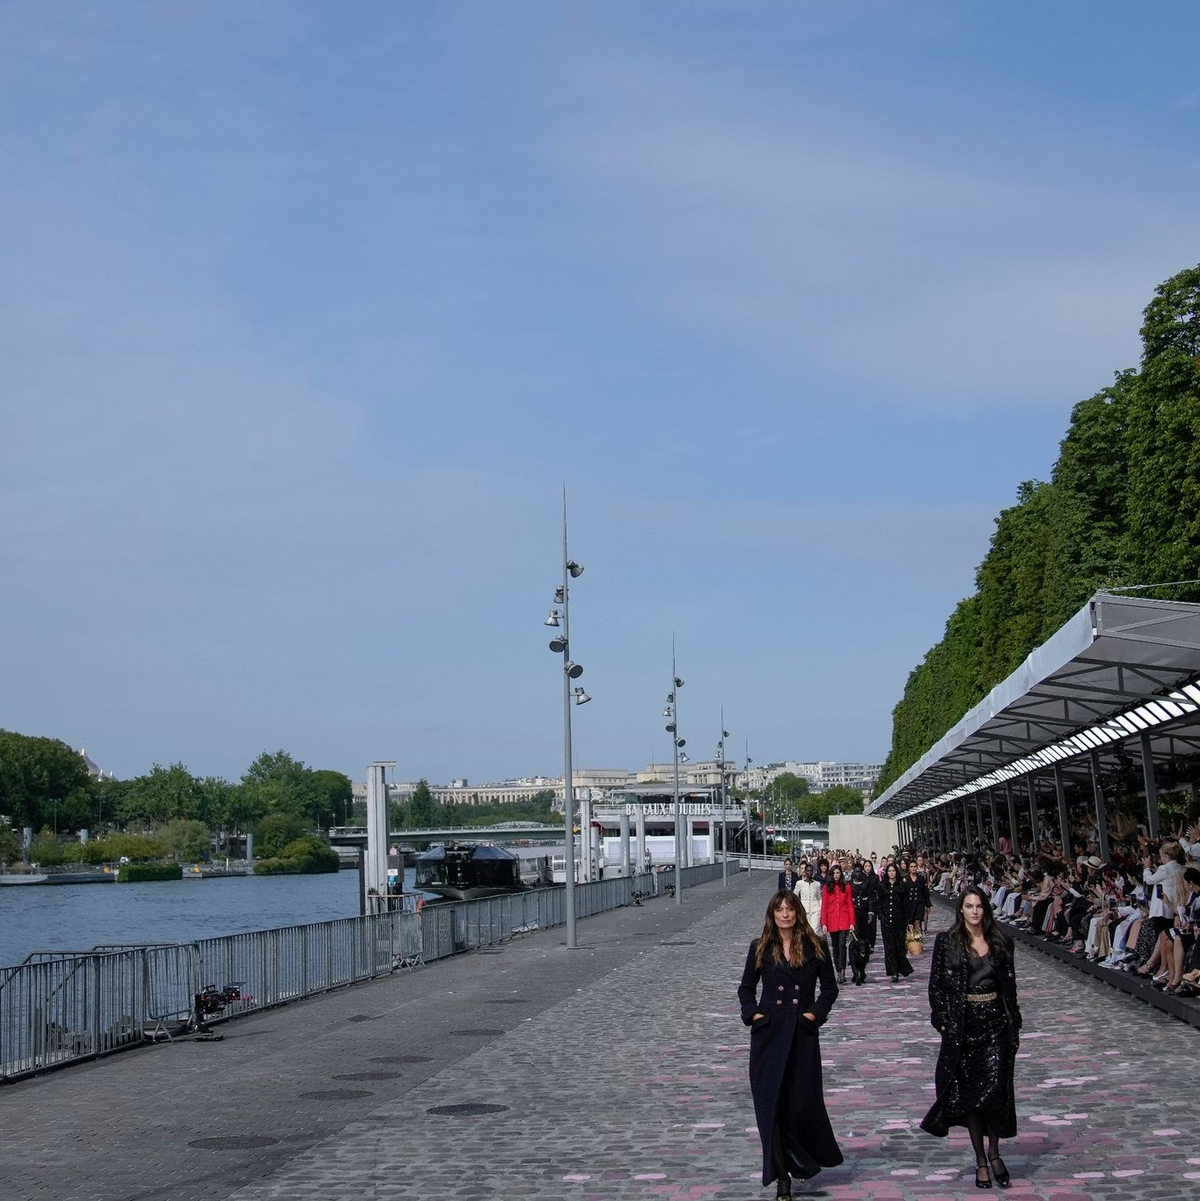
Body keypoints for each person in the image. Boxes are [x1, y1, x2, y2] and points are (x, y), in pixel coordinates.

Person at [738, 890, 842, 1198]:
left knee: (800, 1105)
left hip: (801, 1035)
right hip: (768, 1037)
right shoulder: (759, 947)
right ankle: (781, 1177)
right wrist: (753, 1014)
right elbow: (745, 988)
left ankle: (803, 1159)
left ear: (798, 912)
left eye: (790, 909)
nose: (785, 914)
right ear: (772, 914)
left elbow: (830, 988)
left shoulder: (816, 946)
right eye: (779, 910)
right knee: (771, 1106)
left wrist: (813, 1014)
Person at [921, 886, 1021, 1190]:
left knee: (995, 1092)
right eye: (969, 906)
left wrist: (1014, 1022)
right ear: (960, 909)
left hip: (995, 1024)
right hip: (963, 1027)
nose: (975, 911)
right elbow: (936, 986)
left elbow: (1010, 987)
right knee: (971, 1097)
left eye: (979, 906)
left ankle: (995, 1152)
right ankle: (980, 1159)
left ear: (985, 910)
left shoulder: (1001, 941)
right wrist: (942, 1021)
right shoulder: (947, 942)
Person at [878, 863, 913, 983]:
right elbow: (879, 902)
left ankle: (901, 968)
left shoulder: (902, 885)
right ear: (886, 873)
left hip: (899, 920)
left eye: (893, 871)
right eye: (889, 871)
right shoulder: (882, 885)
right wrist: (881, 915)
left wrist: (909, 921)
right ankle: (893, 971)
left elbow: (906, 904)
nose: (891, 873)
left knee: (900, 945)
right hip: (886, 920)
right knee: (889, 946)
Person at [821, 864, 855, 984]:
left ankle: (843, 971)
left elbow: (850, 905)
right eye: (834, 873)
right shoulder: (826, 888)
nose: (836, 875)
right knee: (835, 947)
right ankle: (838, 970)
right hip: (832, 920)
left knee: (842, 945)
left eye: (838, 873)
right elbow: (824, 906)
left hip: (844, 919)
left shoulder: (846, 887)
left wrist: (852, 922)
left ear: (841, 874)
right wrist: (824, 923)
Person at [794, 862, 825, 940]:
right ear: (805, 871)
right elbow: (795, 896)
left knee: (815, 930)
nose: (809, 872)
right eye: (808, 871)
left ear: (813, 872)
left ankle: (816, 947)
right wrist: (797, 907)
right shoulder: (799, 883)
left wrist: (821, 908)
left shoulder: (817, 884)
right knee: (804, 930)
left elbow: (819, 897)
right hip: (804, 910)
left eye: (811, 871)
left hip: (816, 910)